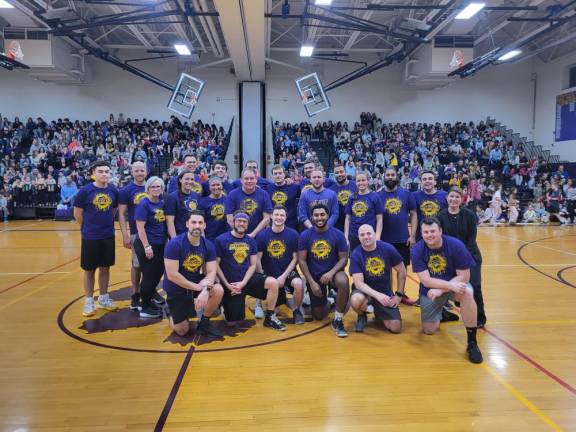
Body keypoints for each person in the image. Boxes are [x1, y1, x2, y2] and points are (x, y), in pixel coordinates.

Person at [411, 217, 483, 364]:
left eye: (433, 231)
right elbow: (426, 281)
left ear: (440, 231)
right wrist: (445, 288)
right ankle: (442, 313)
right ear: (422, 233)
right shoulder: (417, 250)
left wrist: (441, 290)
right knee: (429, 330)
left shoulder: (455, 245)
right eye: (425, 232)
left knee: (468, 293)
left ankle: (472, 342)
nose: (429, 235)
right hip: (434, 290)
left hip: (455, 285)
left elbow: (465, 276)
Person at [215, 211, 286, 330]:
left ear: (247, 224)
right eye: (239, 221)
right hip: (231, 284)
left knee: (273, 283)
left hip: (246, 280)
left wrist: (243, 282)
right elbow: (215, 265)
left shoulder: (251, 241)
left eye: (244, 221)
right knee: (232, 322)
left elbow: (253, 265)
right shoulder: (221, 240)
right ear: (233, 222)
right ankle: (223, 305)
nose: (241, 224)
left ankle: (270, 317)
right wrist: (226, 285)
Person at [163, 211, 224, 338]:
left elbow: (212, 271)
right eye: (193, 222)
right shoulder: (174, 244)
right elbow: (172, 275)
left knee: (218, 290)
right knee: (182, 331)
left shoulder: (208, 245)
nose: (197, 226)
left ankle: (204, 323)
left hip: (196, 281)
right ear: (187, 224)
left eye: (200, 223)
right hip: (177, 287)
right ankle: (170, 312)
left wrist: (206, 290)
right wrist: (197, 288)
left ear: (204, 226)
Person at [73, 160, 119, 317]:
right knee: (89, 270)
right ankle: (88, 301)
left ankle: (104, 298)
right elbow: (77, 214)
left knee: (105, 268)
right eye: (101, 171)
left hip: (107, 235)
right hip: (90, 236)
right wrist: (88, 227)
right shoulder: (85, 191)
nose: (104, 174)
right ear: (93, 173)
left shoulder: (113, 190)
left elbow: (113, 210)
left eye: (107, 171)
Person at [298, 203, 350, 337]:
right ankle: (332, 300)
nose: (319, 218)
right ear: (311, 217)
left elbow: (344, 259)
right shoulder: (305, 235)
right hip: (315, 276)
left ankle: (338, 319)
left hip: (332, 273)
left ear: (327, 216)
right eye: (316, 215)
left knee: (343, 281)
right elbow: (302, 260)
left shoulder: (337, 235)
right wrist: (311, 282)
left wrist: (331, 273)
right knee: (318, 316)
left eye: (322, 214)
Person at [437, 187, 487, 327]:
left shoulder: (470, 215)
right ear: (447, 198)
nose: (454, 199)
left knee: (475, 285)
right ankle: (443, 311)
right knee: (448, 284)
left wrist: (462, 258)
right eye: (451, 196)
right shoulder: (440, 216)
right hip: (449, 258)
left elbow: (471, 240)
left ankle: (479, 318)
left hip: (471, 256)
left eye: (457, 197)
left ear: (462, 199)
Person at [350, 224, 407, 333]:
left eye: (368, 233)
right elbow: (359, 284)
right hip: (365, 292)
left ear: (374, 234)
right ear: (358, 237)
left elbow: (402, 271)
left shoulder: (387, 248)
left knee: (395, 328)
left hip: (384, 292)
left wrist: (399, 295)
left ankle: (379, 313)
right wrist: (377, 295)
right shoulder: (356, 254)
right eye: (362, 235)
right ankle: (362, 315)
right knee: (356, 300)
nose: (366, 237)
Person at [256, 205, 305, 324]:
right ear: (271, 216)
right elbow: (258, 258)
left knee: (299, 284)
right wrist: (262, 275)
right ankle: (263, 301)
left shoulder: (293, 234)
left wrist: (283, 276)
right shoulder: (262, 235)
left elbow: (295, 259)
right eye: (276, 214)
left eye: (282, 215)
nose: (279, 217)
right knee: (275, 309)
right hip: (269, 273)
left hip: (287, 271)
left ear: (286, 217)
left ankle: (297, 310)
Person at [378, 168, 417, 305]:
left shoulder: (406, 194)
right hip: (384, 239)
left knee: (402, 268)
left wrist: (412, 235)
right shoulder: (378, 195)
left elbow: (413, 214)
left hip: (402, 238)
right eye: (387, 175)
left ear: (397, 177)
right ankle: (388, 293)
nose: (390, 177)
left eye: (392, 175)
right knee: (386, 269)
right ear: (384, 177)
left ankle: (401, 293)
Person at [133, 176, 168, 318]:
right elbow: (140, 227)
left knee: (157, 273)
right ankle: (145, 306)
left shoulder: (162, 202)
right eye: (152, 187)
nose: (155, 189)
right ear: (148, 189)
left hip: (160, 243)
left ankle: (148, 300)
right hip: (146, 244)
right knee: (149, 275)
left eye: (158, 187)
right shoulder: (144, 204)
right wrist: (147, 246)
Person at [118, 161, 148, 310]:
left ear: (146, 171)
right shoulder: (126, 190)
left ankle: (149, 293)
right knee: (137, 265)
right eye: (137, 171)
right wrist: (125, 235)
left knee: (152, 266)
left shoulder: (154, 187)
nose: (140, 173)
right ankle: (135, 295)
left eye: (142, 171)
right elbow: (122, 214)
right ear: (132, 172)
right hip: (136, 233)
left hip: (154, 233)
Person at [225, 169, 272, 238]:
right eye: (246, 179)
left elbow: (267, 218)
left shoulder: (264, 194)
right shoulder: (232, 194)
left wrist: (253, 234)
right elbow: (229, 219)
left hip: (258, 236)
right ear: (241, 180)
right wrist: (240, 234)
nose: (249, 181)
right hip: (237, 236)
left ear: (256, 180)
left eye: (252, 178)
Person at [344, 171, 383, 251]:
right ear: (355, 182)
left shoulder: (375, 196)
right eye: (358, 181)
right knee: (355, 260)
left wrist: (377, 236)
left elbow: (379, 219)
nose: (361, 183)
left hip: (369, 235)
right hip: (354, 235)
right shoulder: (352, 197)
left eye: (363, 180)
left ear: (368, 181)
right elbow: (348, 218)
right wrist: (346, 236)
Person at [165, 170, 201, 239]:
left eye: (192, 179)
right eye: (187, 179)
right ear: (180, 180)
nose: (190, 181)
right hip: (179, 237)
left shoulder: (196, 195)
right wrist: (174, 240)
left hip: (194, 236)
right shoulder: (172, 197)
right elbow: (169, 221)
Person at [413, 170, 447, 240]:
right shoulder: (414, 196)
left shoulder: (445, 195)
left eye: (430, 179)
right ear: (421, 183)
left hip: (440, 236)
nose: (427, 181)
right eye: (424, 179)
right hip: (421, 237)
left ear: (435, 182)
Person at [266, 165, 300, 230]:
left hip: (291, 225)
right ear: (272, 176)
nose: (278, 175)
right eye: (275, 174)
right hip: (274, 224)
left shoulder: (294, 187)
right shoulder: (268, 188)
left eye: (280, 173)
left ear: (284, 174)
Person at [197, 176, 229, 241]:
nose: (216, 187)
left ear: (222, 185)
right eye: (213, 185)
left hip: (226, 239)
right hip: (210, 239)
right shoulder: (203, 203)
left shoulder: (229, 200)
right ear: (209, 187)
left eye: (218, 185)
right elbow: (200, 223)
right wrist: (204, 240)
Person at [329, 163, 356, 231]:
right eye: (336, 173)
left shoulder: (356, 185)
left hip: (354, 226)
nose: (339, 174)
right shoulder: (330, 190)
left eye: (341, 171)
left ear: (346, 172)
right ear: (334, 175)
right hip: (337, 227)